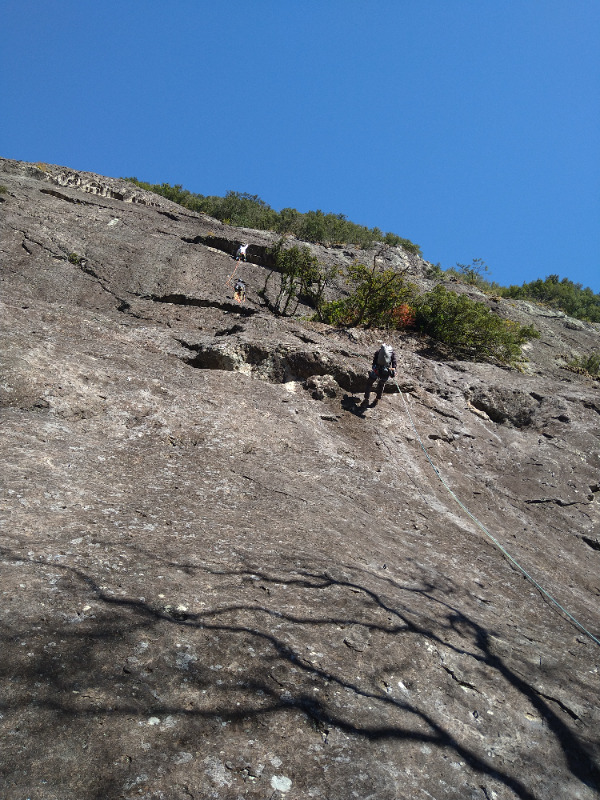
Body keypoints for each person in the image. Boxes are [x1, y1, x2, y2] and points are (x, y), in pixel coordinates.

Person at [362, 343, 397, 407]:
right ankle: (377, 399)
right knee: (381, 385)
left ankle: (366, 399)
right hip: (386, 372)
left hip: (376, 370)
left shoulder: (378, 352)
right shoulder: (392, 353)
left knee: (369, 383)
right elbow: (394, 363)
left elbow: (374, 363)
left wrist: (374, 368)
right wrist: (393, 371)